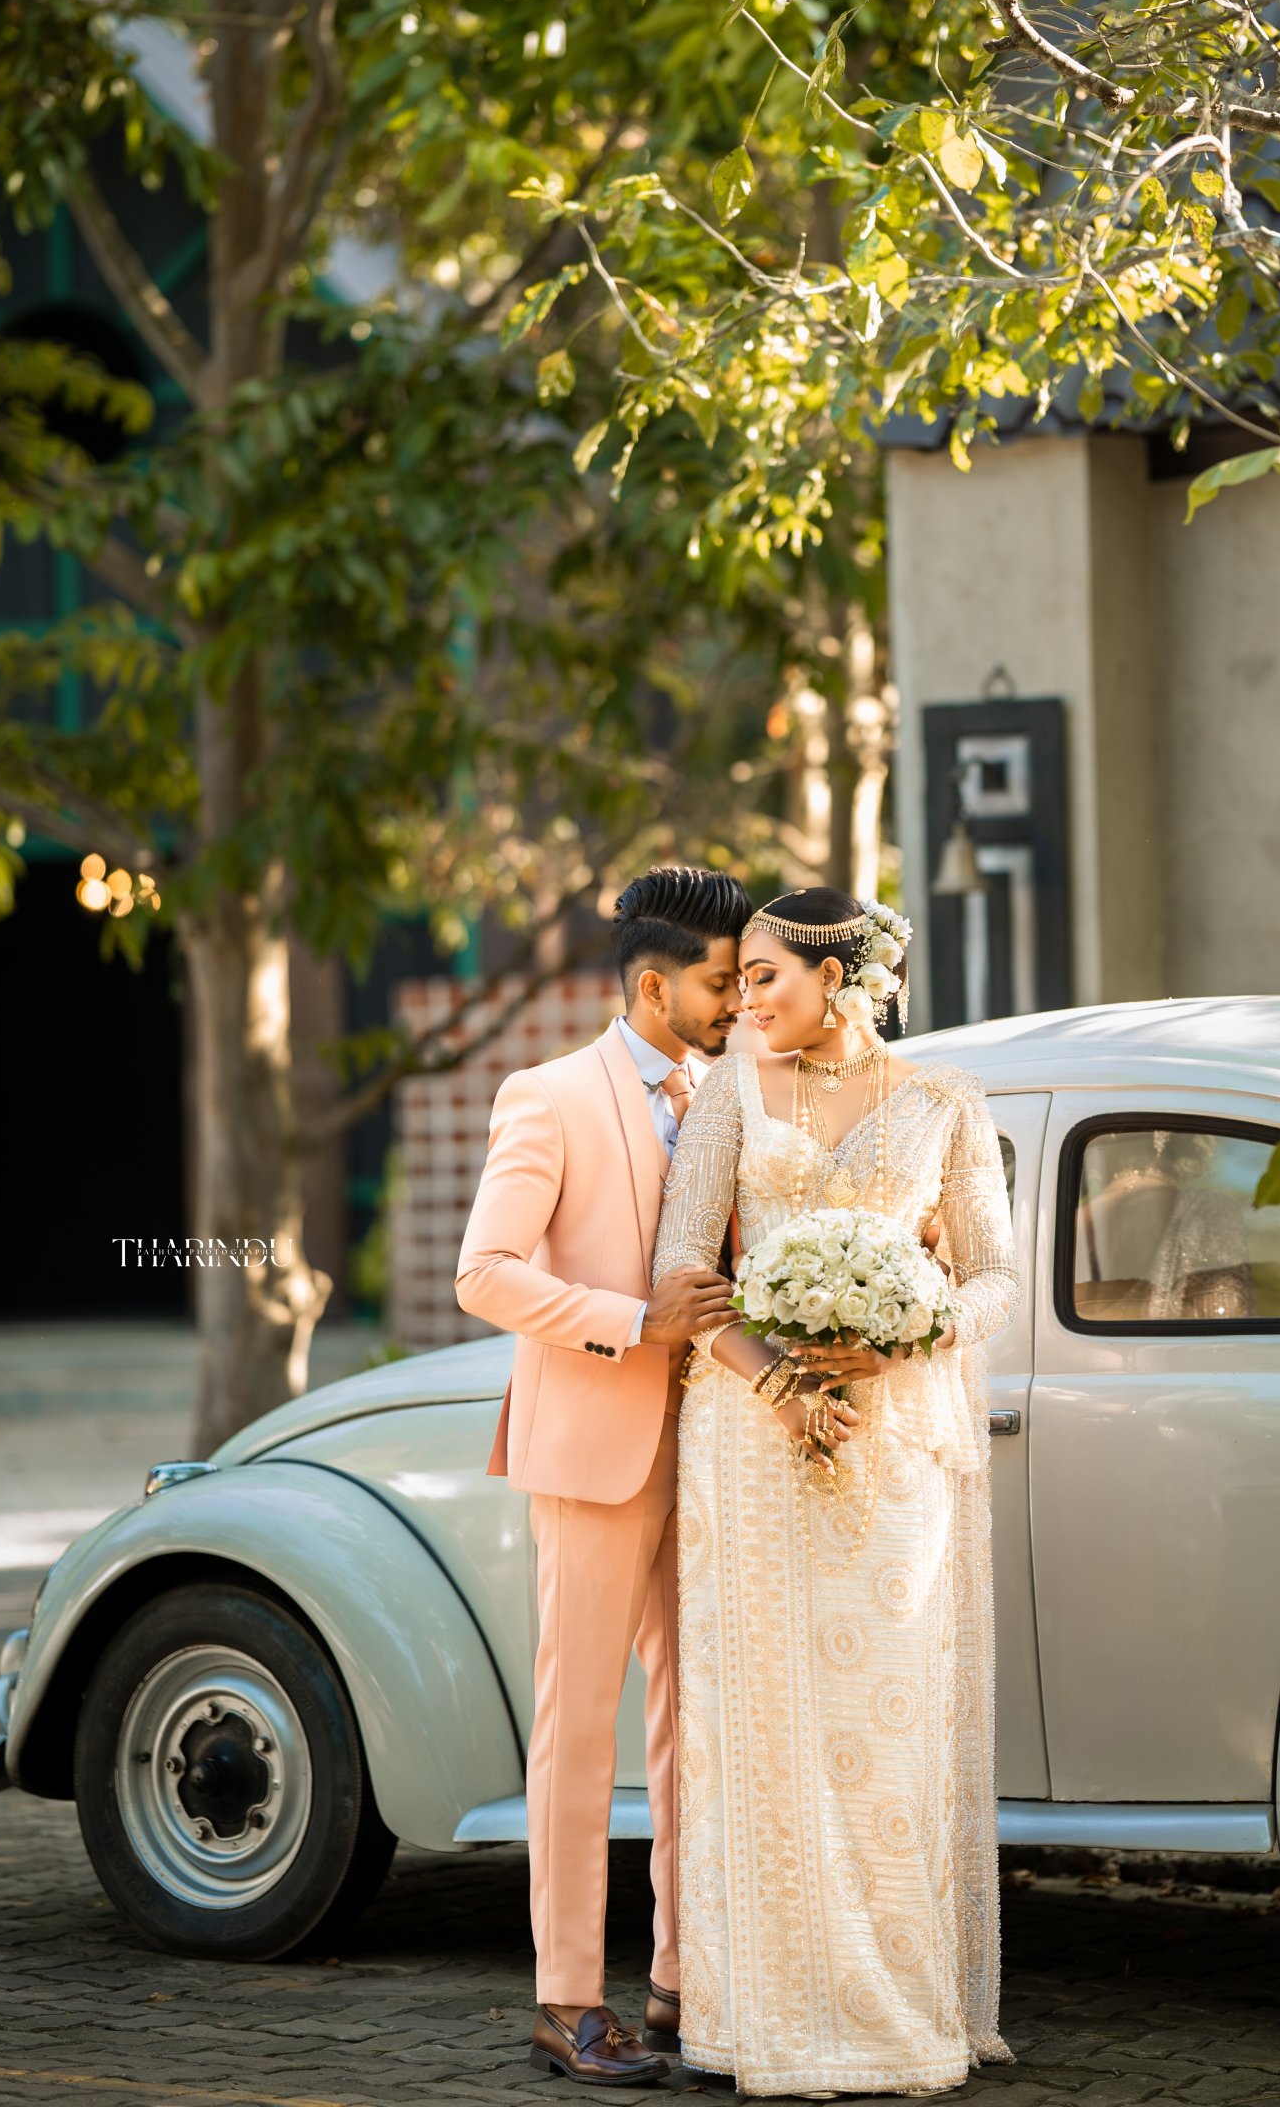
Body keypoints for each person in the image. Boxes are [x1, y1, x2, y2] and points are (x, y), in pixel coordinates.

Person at [652, 887, 1018, 2097]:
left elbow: (995, 1274)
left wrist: (908, 1336)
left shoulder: (943, 1104)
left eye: (764, 977)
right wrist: (783, 1389)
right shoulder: (727, 1102)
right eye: (739, 979)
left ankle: (895, 2010)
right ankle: (769, 2015)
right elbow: (686, 1280)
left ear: (842, 980)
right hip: (752, 1450)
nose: (744, 999)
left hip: (895, 1444)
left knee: (885, 1726)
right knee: (764, 1729)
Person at [455, 865, 751, 2087]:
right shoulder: (549, 1096)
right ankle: (566, 1999)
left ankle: (680, 1984)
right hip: (590, 1456)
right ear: (651, 984)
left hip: (721, 1459)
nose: (739, 1002)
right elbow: (487, 1273)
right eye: (721, 983)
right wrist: (634, 1320)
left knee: (701, 1729)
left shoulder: (738, 1094)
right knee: (579, 1736)